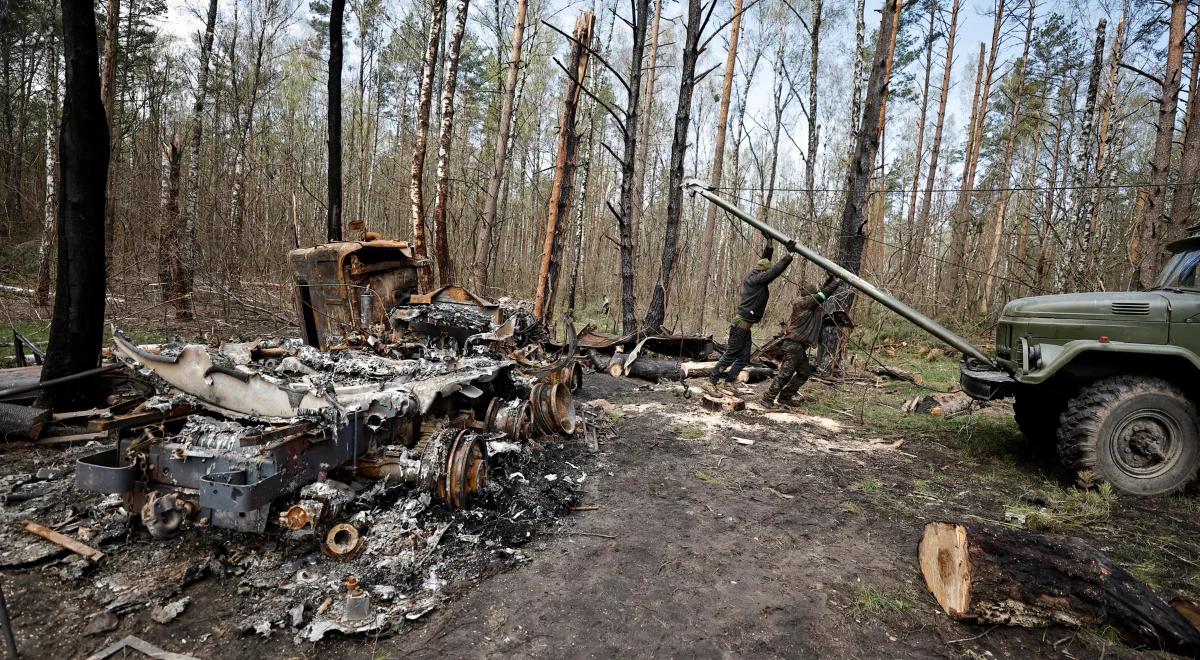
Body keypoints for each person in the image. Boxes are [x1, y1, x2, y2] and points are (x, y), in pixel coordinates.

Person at [708, 239, 794, 391]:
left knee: (744, 358)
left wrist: (769, 246)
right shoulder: (758, 279)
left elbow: (764, 262)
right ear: (763, 272)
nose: (767, 275)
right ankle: (711, 382)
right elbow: (774, 272)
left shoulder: (756, 273)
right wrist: (788, 255)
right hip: (740, 325)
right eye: (765, 273)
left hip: (745, 327)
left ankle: (729, 381)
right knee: (730, 355)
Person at [763, 276, 842, 407]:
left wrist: (830, 279)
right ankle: (767, 398)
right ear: (810, 295)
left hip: (799, 347)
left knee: (804, 372)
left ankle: (785, 396)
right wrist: (836, 282)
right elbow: (823, 295)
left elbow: (822, 293)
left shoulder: (810, 303)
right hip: (793, 345)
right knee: (785, 374)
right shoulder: (803, 303)